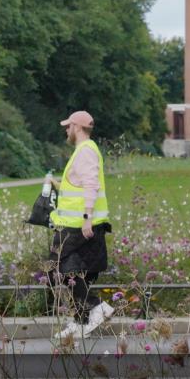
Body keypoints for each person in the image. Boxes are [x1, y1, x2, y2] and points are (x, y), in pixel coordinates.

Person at [48, 110, 113, 341]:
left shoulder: (85, 151)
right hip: (77, 224)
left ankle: (96, 308)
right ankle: (79, 320)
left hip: (80, 225)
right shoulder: (85, 151)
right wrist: (56, 185)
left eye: (68, 126)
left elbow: (90, 185)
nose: (66, 130)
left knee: (58, 266)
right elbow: (78, 186)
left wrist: (86, 217)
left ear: (76, 127)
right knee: (76, 271)